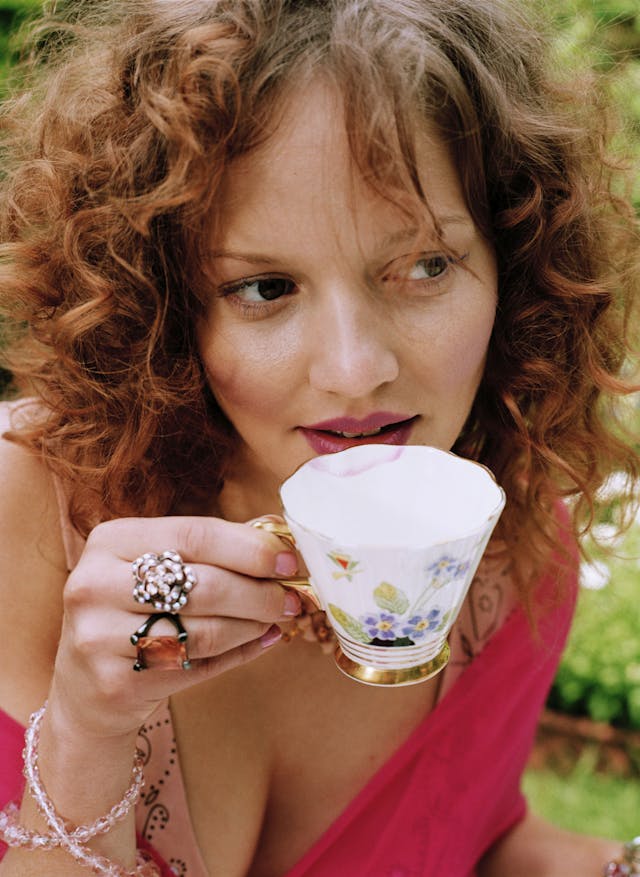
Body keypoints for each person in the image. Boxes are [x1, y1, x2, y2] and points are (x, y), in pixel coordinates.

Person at [0, 0, 638, 874]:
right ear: (159, 300)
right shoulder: (21, 520)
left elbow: (473, 839)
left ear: (517, 266)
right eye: (264, 288)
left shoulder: (502, 550)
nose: (354, 370)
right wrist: (86, 729)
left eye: (425, 266)